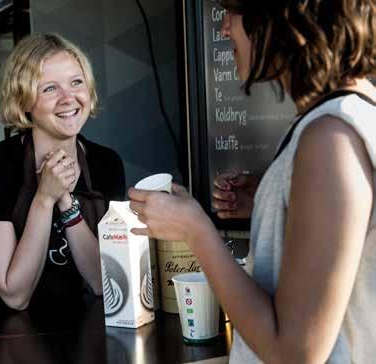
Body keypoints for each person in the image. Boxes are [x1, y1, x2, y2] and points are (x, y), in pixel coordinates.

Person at [129, 1, 376, 362]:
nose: (224, 28)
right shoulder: (352, 114)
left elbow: (295, 350)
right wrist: (272, 202)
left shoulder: (330, 137)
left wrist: (196, 230)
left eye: (235, 11)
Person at [0, 33, 125, 312]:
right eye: (49, 88)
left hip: (83, 326)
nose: (68, 98)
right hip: (6, 333)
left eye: (76, 82)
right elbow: (15, 296)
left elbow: (103, 283)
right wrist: (44, 198)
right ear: (24, 100)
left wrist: (66, 203)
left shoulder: (106, 163)